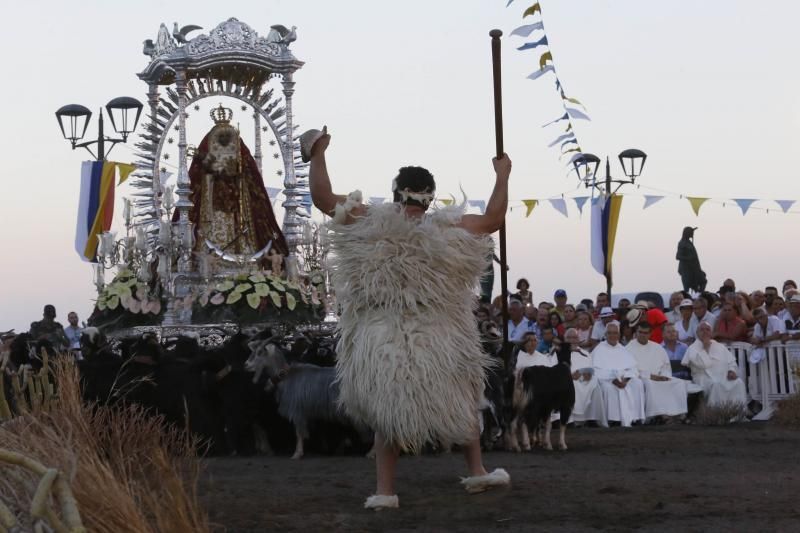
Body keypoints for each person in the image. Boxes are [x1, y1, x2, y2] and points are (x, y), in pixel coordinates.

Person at [305, 127, 511, 509]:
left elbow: (321, 198)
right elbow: (495, 218)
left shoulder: (369, 220)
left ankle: (386, 491)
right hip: (439, 332)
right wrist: (503, 175)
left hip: (384, 332)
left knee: (392, 410)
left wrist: (318, 154)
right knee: (462, 397)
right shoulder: (450, 228)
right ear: (431, 198)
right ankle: (477, 470)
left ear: (396, 191)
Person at [182, 105, 288, 260]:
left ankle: (243, 260)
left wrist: (236, 171)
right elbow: (198, 174)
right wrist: (209, 165)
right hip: (211, 200)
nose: (224, 139)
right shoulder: (209, 148)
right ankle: (208, 261)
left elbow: (246, 169)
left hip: (238, 201)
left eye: (227, 136)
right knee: (211, 229)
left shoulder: (238, 149)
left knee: (240, 230)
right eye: (221, 137)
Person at [626, 322, 688, 421]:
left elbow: (666, 366)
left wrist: (664, 376)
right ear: (636, 333)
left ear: (650, 334)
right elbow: (630, 370)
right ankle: (655, 416)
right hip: (642, 378)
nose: (642, 335)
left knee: (679, 383)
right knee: (650, 385)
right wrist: (651, 377)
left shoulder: (657, 347)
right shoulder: (628, 348)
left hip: (660, 377)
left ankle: (678, 415)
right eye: (640, 332)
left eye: (645, 333)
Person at [681, 322, 747, 408]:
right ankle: (716, 415)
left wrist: (732, 370)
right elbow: (704, 365)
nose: (705, 332)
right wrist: (705, 348)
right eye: (702, 330)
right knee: (716, 385)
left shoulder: (720, 346)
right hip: (704, 378)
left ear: (711, 333)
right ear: (697, 333)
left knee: (738, 382)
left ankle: (737, 414)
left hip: (724, 376)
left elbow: (731, 362)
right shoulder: (692, 348)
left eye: (707, 330)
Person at [592, 322, 645, 427]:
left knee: (638, 383)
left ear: (619, 335)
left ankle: (636, 417)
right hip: (607, 380)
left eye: (615, 333)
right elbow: (595, 370)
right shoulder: (599, 349)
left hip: (624, 379)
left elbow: (633, 368)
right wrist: (613, 380)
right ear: (605, 335)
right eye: (610, 333)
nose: (612, 336)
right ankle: (613, 419)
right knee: (608, 388)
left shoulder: (623, 349)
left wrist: (626, 380)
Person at [564, 328, 607, 427]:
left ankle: (592, 418)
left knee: (596, 384)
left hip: (585, 381)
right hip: (569, 380)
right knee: (572, 385)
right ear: (564, 339)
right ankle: (570, 420)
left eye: (575, 337)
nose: (572, 340)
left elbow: (591, 369)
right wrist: (570, 376)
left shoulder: (586, 354)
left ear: (578, 339)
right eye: (569, 338)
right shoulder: (559, 353)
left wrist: (588, 375)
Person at [676, 226, 707, 294]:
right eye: (691, 232)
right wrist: (689, 258)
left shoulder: (688, 242)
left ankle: (699, 294)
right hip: (687, 269)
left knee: (703, 280)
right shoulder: (682, 243)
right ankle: (691, 296)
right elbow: (678, 256)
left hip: (694, 268)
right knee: (687, 286)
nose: (693, 233)